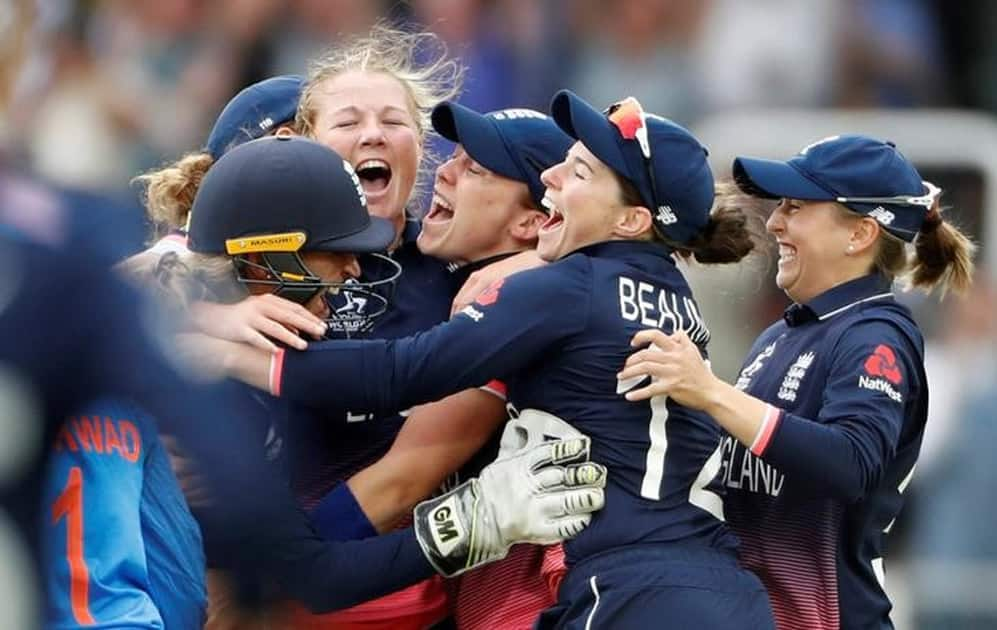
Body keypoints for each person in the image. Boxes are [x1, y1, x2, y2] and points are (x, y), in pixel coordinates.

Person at [212, 91, 776, 629]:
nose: (446, 173)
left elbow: (396, 386)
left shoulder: (554, 290)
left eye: (576, 172)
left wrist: (218, 350)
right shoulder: (656, 285)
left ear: (627, 222)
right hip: (700, 580)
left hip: (620, 587)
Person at [67, 134, 606, 627]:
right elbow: (314, 575)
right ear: (270, 254)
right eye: (335, 250)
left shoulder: (227, 331)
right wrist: (475, 522)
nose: (354, 270)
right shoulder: (169, 364)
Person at [617, 134, 976, 629]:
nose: (774, 222)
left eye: (796, 206)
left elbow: (851, 464)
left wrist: (712, 393)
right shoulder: (781, 335)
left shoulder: (875, 336)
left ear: (860, 234)